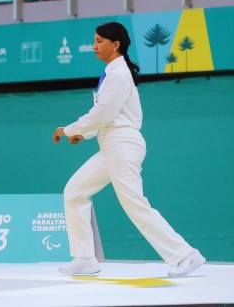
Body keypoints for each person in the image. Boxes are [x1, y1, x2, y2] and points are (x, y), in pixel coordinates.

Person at [52, 22, 205, 277]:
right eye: (94, 40)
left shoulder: (119, 74)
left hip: (122, 145)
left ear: (116, 44)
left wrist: (69, 129)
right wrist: (84, 133)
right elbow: (108, 116)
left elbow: (104, 113)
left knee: (134, 203)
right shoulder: (113, 73)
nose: (94, 46)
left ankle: (186, 255)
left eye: (99, 40)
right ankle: (85, 259)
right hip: (111, 145)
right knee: (74, 192)